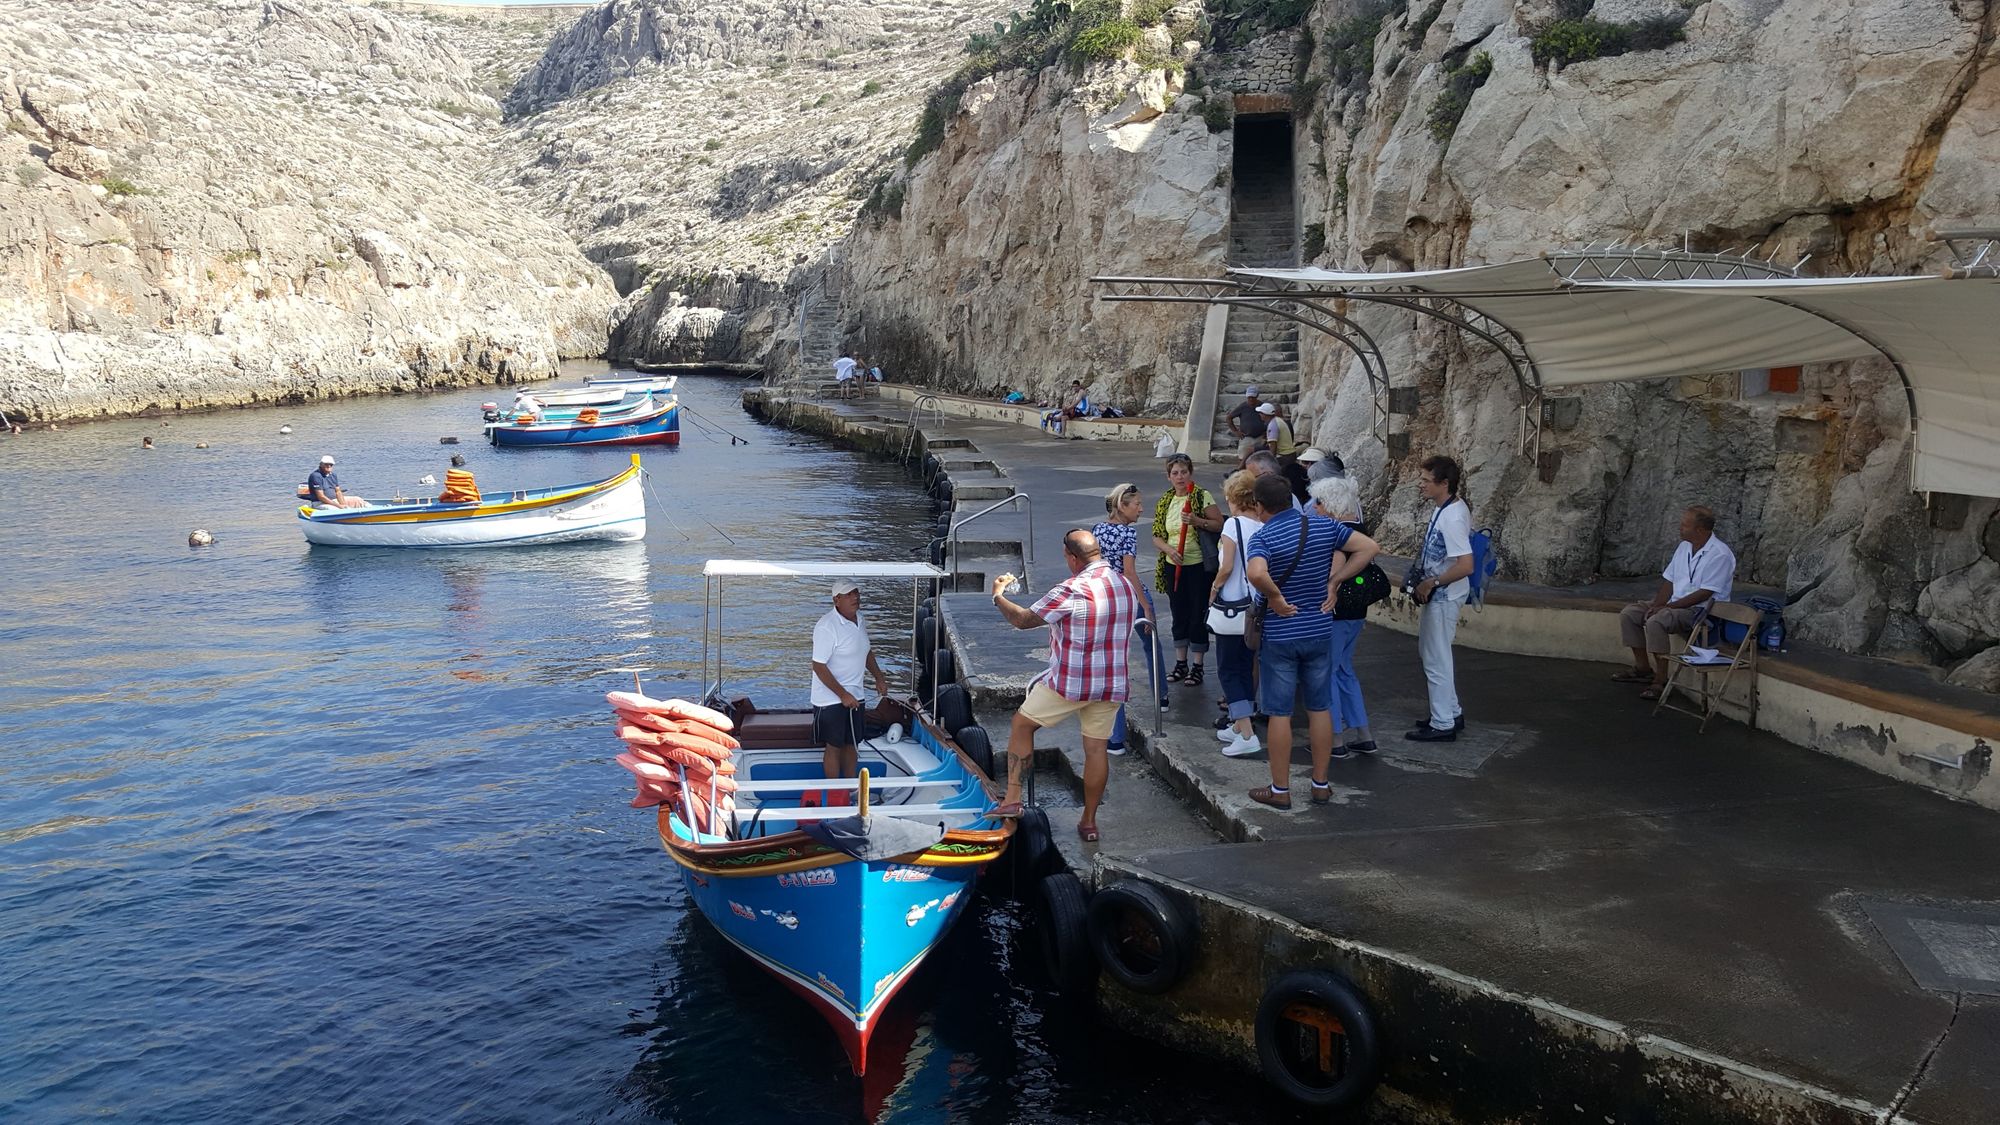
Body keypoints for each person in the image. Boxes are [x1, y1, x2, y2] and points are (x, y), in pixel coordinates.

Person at [989, 529, 1142, 842]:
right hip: (1111, 683)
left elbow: (1022, 620)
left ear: (1073, 557)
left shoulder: (1071, 589)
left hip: (1071, 683)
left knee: (1021, 725)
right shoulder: (1125, 585)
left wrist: (998, 596)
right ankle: (1088, 822)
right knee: (1096, 749)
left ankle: (1013, 799)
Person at [1244, 473, 1379, 809]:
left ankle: (1280, 789)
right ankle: (1321, 784)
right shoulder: (1322, 525)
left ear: (1259, 506)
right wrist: (1335, 582)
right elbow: (1368, 548)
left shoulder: (1264, 537)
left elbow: (1257, 573)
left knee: (1279, 713)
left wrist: (1274, 597)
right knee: (1320, 707)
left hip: (1281, 634)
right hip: (1319, 629)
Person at [1615, 506, 1737, 700]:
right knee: (1630, 613)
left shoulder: (1720, 554)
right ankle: (1642, 668)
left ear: (1699, 530)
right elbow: (1670, 580)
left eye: (1684, 525)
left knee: (1657, 621)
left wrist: (1666, 608)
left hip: (1700, 611)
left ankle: (1660, 679)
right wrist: (1657, 604)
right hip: (1674, 604)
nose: (1680, 528)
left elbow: (1704, 593)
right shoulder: (1684, 547)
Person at [1094, 482, 1168, 756]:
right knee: (1152, 644)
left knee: (1113, 661)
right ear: (1122, 506)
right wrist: (1145, 605)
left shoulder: (1098, 529)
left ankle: (1115, 738)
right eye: (1136, 504)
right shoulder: (1128, 533)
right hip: (1128, 595)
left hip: (1106, 598)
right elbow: (1130, 573)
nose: (1141, 509)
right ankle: (1160, 696)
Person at [1407, 455, 1473, 742]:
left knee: (1436, 658)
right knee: (1433, 653)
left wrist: (1432, 581)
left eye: (1426, 480)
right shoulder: (1443, 509)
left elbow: (1465, 564)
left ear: (1444, 484)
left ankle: (1443, 722)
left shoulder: (1454, 516)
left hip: (1445, 595)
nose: (1420, 485)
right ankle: (1449, 711)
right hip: (1439, 594)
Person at [1310, 473, 1376, 755]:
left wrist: (1332, 583)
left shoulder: (1339, 534)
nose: (1315, 507)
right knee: (1345, 670)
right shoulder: (1359, 527)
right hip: (1356, 612)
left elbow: (1334, 569)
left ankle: (1334, 740)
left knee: (1328, 672)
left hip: (1335, 613)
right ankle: (1363, 734)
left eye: (1319, 502)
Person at [1151, 453, 1224, 688]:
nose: (1180, 477)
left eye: (1184, 472)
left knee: (1197, 614)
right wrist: (1169, 551)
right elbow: (1157, 535)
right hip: (1174, 566)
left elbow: (1219, 524)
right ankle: (1180, 663)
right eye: (1175, 473)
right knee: (1178, 613)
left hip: (1199, 567)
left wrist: (1196, 521)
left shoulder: (1201, 496)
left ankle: (1198, 665)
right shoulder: (1166, 501)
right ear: (1168, 476)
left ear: (1190, 473)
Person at [811, 580, 891, 792]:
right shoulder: (826, 626)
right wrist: (842, 694)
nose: (855, 597)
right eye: (848, 594)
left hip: (856, 693)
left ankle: (848, 788)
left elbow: (866, 652)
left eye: (856, 593)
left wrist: (879, 678)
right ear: (836, 600)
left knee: (851, 743)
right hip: (830, 698)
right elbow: (818, 666)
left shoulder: (860, 620)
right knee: (834, 745)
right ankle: (835, 791)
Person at [1209, 470, 1265, 757]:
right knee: (1245, 666)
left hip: (1232, 605)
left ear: (1233, 498)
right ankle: (1239, 721)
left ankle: (1246, 732)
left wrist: (1214, 589)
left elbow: (1227, 566)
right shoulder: (1261, 525)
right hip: (1255, 606)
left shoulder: (1233, 526)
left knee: (1228, 669)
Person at [1226, 388, 1264, 460]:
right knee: (1243, 458)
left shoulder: (1262, 405)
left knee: (1260, 459)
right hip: (1246, 437)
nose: (1251, 399)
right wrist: (1235, 431)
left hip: (1260, 437)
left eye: (1253, 397)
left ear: (1257, 396)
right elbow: (1229, 418)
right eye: (1249, 397)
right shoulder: (1243, 406)